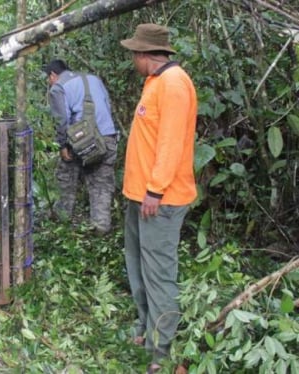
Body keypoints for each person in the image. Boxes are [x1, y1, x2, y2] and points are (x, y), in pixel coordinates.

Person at [119, 24, 197, 373]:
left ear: (144, 54)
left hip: (159, 200)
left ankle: (162, 350)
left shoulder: (174, 84)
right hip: (140, 196)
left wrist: (155, 190)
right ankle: (144, 328)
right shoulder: (155, 82)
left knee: (159, 273)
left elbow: (171, 143)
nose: (132, 59)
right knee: (137, 264)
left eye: (133, 53)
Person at [43, 59, 118, 234]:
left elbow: (62, 120)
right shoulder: (93, 79)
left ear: (53, 75)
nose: (49, 83)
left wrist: (63, 146)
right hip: (108, 136)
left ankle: (61, 221)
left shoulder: (58, 87)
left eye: (48, 79)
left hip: (82, 140)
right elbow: (108, 105)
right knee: (101, 183)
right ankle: (100, 226)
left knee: (66, 177)